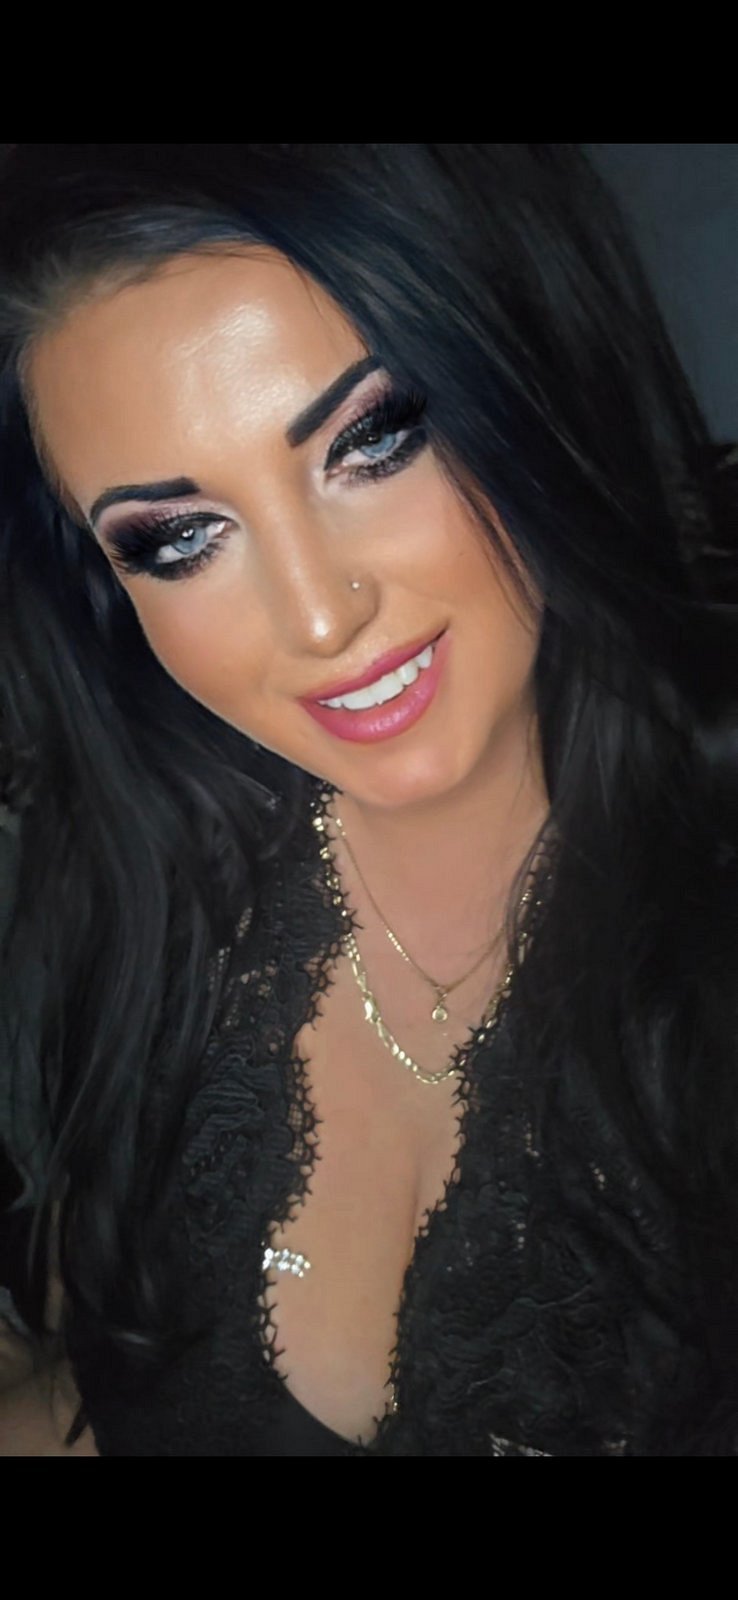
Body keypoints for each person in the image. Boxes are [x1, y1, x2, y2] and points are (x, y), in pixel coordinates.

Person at [0, 143, 737, 1457]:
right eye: (178, 537)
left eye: (371, 441)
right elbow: (94, 1385)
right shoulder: (134, 882)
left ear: (530, 381)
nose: (318, 616)